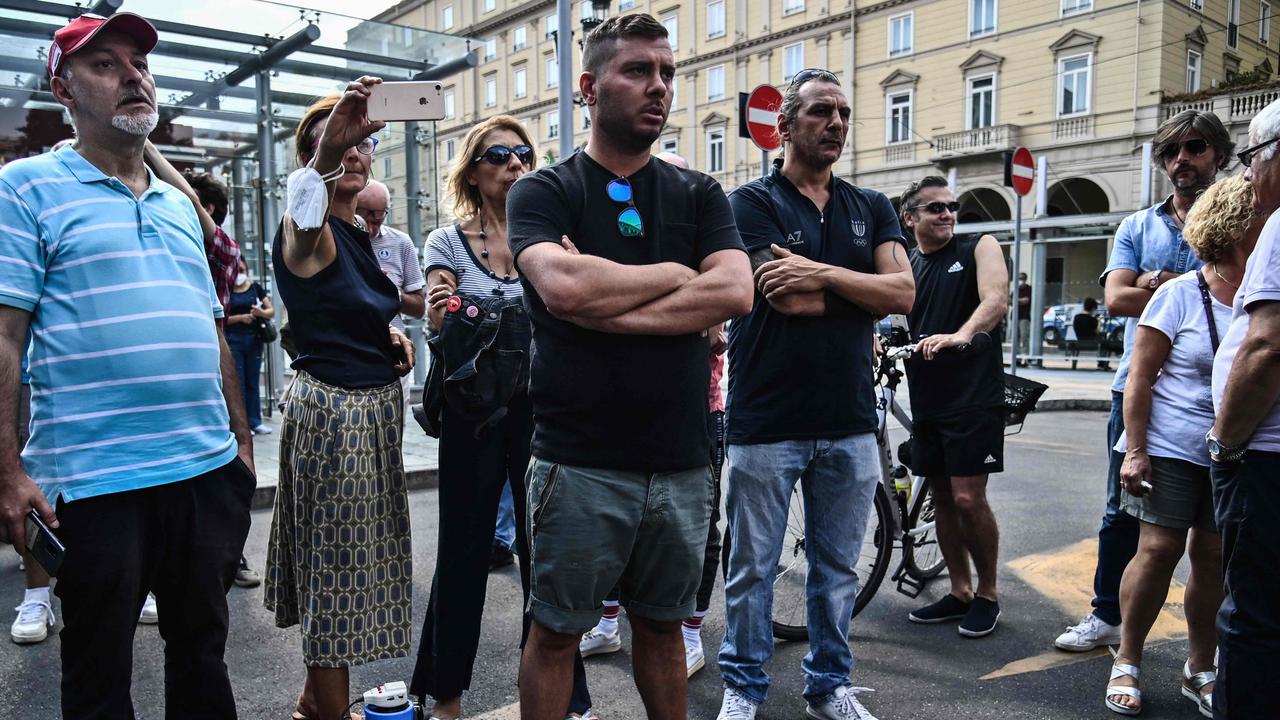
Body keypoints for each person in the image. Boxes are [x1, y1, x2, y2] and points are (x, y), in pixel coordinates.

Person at [0, 12, 256, 716]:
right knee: (98, 673)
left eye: (139, 64)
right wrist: (8, 472)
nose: (134, 76)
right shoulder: (24, 189)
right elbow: (5, 337)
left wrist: (239, 442)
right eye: (105, 65)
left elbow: (209, 324)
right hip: (95, 481)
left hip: (204, 472)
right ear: (64, 90)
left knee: (203, 654)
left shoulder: (178, 205)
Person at [507, 13, 753, 720]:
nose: (659, 87)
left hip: (680, 460)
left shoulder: (700, 194)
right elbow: (563, 288)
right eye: (638, 71)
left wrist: (598, 304)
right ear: (588, 86)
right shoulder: (546, 190)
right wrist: (680, 276)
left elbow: (734, 291)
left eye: (667, 72)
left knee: (663, 629)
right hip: (578, 459)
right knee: (555, 633)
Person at [718, 69, 913, 720]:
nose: (836, 123)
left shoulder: (872, 206)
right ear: (786, 126)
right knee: (753, 570)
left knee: (837, 571)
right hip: (766, 419)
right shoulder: (751, 203)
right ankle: (743, 689)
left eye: (844, 113)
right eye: (821, 112)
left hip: (850, 419)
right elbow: (780, 295)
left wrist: (821, 274)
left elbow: (903, 295)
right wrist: (859, 287)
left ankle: (829, 687)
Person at [410, 114, 592, 720]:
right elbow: (439, 317)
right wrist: (443, 312)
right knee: (464, 549)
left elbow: (576, 310)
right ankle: (445, 696)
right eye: (498, 155)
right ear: (473, 170)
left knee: (547, 553)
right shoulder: (446, 241)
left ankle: (562, 696)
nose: (515, 164)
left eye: (523, 154)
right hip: (475, 412)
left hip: (543, 410)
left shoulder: (551, 238)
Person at [263, 82, 417, 720]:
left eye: (366, 141)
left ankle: (309, 702)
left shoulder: (356, 232)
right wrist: (330, 150)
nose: (359, 150)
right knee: (337, 576)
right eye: (344, 141)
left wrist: (387, 333)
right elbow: (303, 237)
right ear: (317, 156)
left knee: (355, 566)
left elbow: (337, 306)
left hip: (368, 412)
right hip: (337, 417)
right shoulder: (311, 224)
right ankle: (327, 713)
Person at [1055, 109, 1233, 653]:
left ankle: (1214, 645)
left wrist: (1153, 282)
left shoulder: (1240, 218)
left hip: (1223, 391)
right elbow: (1116, 299)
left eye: (1195, 147)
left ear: (1219, 156)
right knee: (1120, 509)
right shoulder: (1138, 225)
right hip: (1139, 387)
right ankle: (1106, 616)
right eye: (1171, 152)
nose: (1182, 160)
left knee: (1216, 531)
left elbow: (1241, 285)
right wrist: (1183, 283)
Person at [1101, 175, 1261, 716]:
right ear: (1233, 232)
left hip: (1234, 447)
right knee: (1159, 550)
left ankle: (1200, 667)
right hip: (1169, 444)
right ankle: (1128, 658)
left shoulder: (1262, 292)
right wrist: (1137, 450)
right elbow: (1140, 378)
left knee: (1212, 557)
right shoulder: (1178, 294)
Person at [575, 150, 729, 679]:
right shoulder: (626, 232)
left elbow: (720, 313)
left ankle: (691, 632)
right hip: (616, 410)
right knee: (620, 531)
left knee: (699, 532)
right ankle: (608, 622)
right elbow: (574, 291)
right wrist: (679, 285)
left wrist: (607, 304)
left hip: (697, 412)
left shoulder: (699, 226)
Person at [897, 177, 1007, 638]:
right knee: (941, 496)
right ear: (911, 219)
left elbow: (996, 299)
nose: (946, 214)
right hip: (928, 396)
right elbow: (895, 315)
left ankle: (988, 594)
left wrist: (963, 334)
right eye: (934, 208)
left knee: (967, 496)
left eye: (951, 206)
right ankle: (959, 590)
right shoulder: (910, 266)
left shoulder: (979, 245)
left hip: (973, 393)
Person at [1206, 98, 1280, 719]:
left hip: (1265, 457)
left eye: (1252, 157)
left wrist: (1225, 442)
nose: (1250, 173)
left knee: (1253, 614)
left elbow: (1266, 346)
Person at [187, 170, 263, 589]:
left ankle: (232, 557)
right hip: (186, 380)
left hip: (213, 371)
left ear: (207, 208)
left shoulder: (220, 249)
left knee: (223, 472)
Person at [355, 179, 427, 409]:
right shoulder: (336, 240)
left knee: (394, 430)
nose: (372, 227)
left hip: (391, 353)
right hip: (352, 353)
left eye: (380, 217)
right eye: (366, 217)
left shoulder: (400, 243)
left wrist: (392, 293)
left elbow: (419, 308)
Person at [224, 256, 275, 436]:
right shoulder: (227, 290)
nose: (241, 275)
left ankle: (256, 421)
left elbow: (271, 311)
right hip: (233, 340)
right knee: (239, 383)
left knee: (253, 381)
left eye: (243, 271)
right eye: (238, 271)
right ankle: (242, 423)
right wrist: (240, 318)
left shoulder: (255, 288)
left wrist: (260, 312)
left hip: (254, 340)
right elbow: (221, 318)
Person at [1014, 271, 1031, 360]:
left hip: (1024, 316)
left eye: (1022, 278)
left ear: (1025, 279)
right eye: (1019, 278)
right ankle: (1017, 358)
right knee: (1015, 337)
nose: (1021, 280)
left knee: (1024, 336)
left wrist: (1016, 300)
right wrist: (1020, 300)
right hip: (1015, 316)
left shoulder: (1029, 289)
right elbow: (1009, 300)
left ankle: (1025, 356)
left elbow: (1026, 300)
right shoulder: (1016, 289)